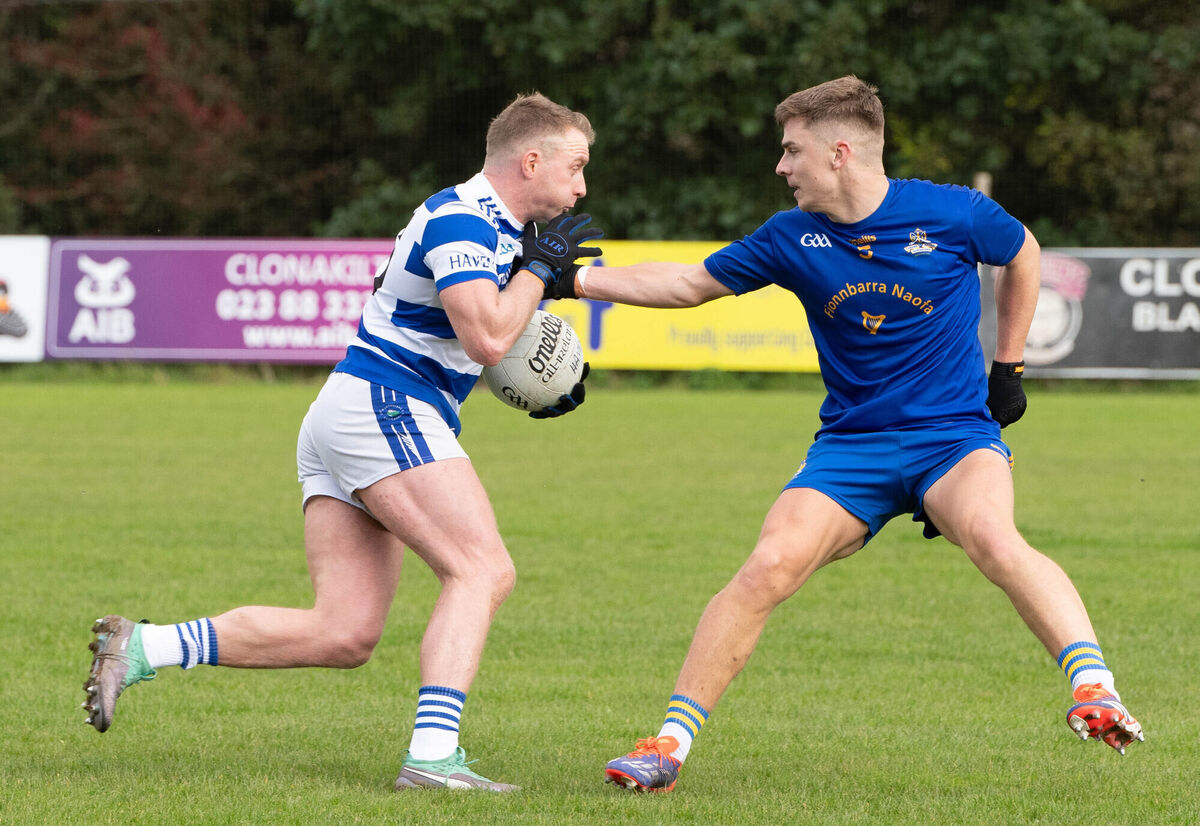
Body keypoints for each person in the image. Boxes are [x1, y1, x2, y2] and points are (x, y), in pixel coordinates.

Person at [552, 75, 1142, 793]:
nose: (780, 166)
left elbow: (1023, 252)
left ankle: (1095, 690)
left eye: (790, 150)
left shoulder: (952, 213)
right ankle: (666, 748)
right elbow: (687, 285)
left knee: (992, 535)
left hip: (951, 439)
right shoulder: (790, 236)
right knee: (767, 566)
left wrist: (1008, 365)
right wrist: (575, 282)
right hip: (852, 449)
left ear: (838, 152)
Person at [82, 92, 603, 792]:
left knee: (345, 632)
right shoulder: (463, 220)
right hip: (384, 405)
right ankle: (432, 759)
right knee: (483, 570)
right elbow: (486, 337)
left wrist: (553, 288)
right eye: (574, 168)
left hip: (353, 412)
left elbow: (502, 326)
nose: (581, 187)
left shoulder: (497, 234)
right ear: (530, 160)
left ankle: (142, 645)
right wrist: (540, 274)